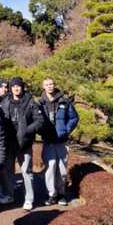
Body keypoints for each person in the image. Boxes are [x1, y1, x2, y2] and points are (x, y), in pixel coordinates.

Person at [1, 77, 44, 210]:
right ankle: (9, 195)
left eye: (18, 86)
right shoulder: (5, 101)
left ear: (22, 87)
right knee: (8, 171)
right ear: (10, 87)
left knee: (26, 171)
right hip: (8, 142)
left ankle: (29, 198)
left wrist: (27, 130)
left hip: (24, 143)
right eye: (13, 86)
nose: (16, 88)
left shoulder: (31, 102)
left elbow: (39, 121)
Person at [39, 77, 79, 206]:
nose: (50, 86)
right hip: (48, 142)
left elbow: (74, 118)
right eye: (47, 84)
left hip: (61, 141)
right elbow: (35, 121)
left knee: (62, 170)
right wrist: (41, 131)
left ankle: (61, 193)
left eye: (51, 84)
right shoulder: (40, 103)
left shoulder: (64, 101)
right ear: (43, 87)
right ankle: (52, 194)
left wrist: (66, 130)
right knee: (50, 169)